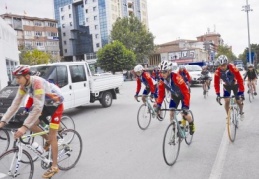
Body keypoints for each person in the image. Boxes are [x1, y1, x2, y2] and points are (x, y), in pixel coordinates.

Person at [0, 66, 64, 178]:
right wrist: (3, 121)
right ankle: (48, 140)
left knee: (52, 136)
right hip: (45, 104)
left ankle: (54, 166)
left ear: (27, 76)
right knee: (32, 125)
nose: (17, 80)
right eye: (15, 78)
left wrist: (23, 127)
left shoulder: (37, 83)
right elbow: (15, 105)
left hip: (56, 104)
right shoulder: (23, 86)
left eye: (18, 77)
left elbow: (37, 108)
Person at [154, 61, 195, 135]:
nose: (162, 74)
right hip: (174, 96)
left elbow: (186, 92)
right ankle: (174, 129)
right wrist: (158, 105)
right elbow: (161, 94)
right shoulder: (161, 80)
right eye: (161, 72)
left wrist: (185, 106)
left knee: (184, 114)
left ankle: (191, 125)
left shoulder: (177, 77)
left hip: (183, 95)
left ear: (169, 71)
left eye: (164, 72)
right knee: (171, 113)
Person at [214, 55, 245, 120]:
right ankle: (228, 115)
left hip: (235, 85)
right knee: (227, 101)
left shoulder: (233, 68)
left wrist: (241, 92)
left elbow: (240, 79)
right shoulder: (217, 72)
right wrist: (218, 94)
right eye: (221, 65)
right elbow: (216, 83)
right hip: (226, 86)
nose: (222, 67)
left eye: (224, 65)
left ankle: (241, 112)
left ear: (227, 64)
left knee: (238, 101)